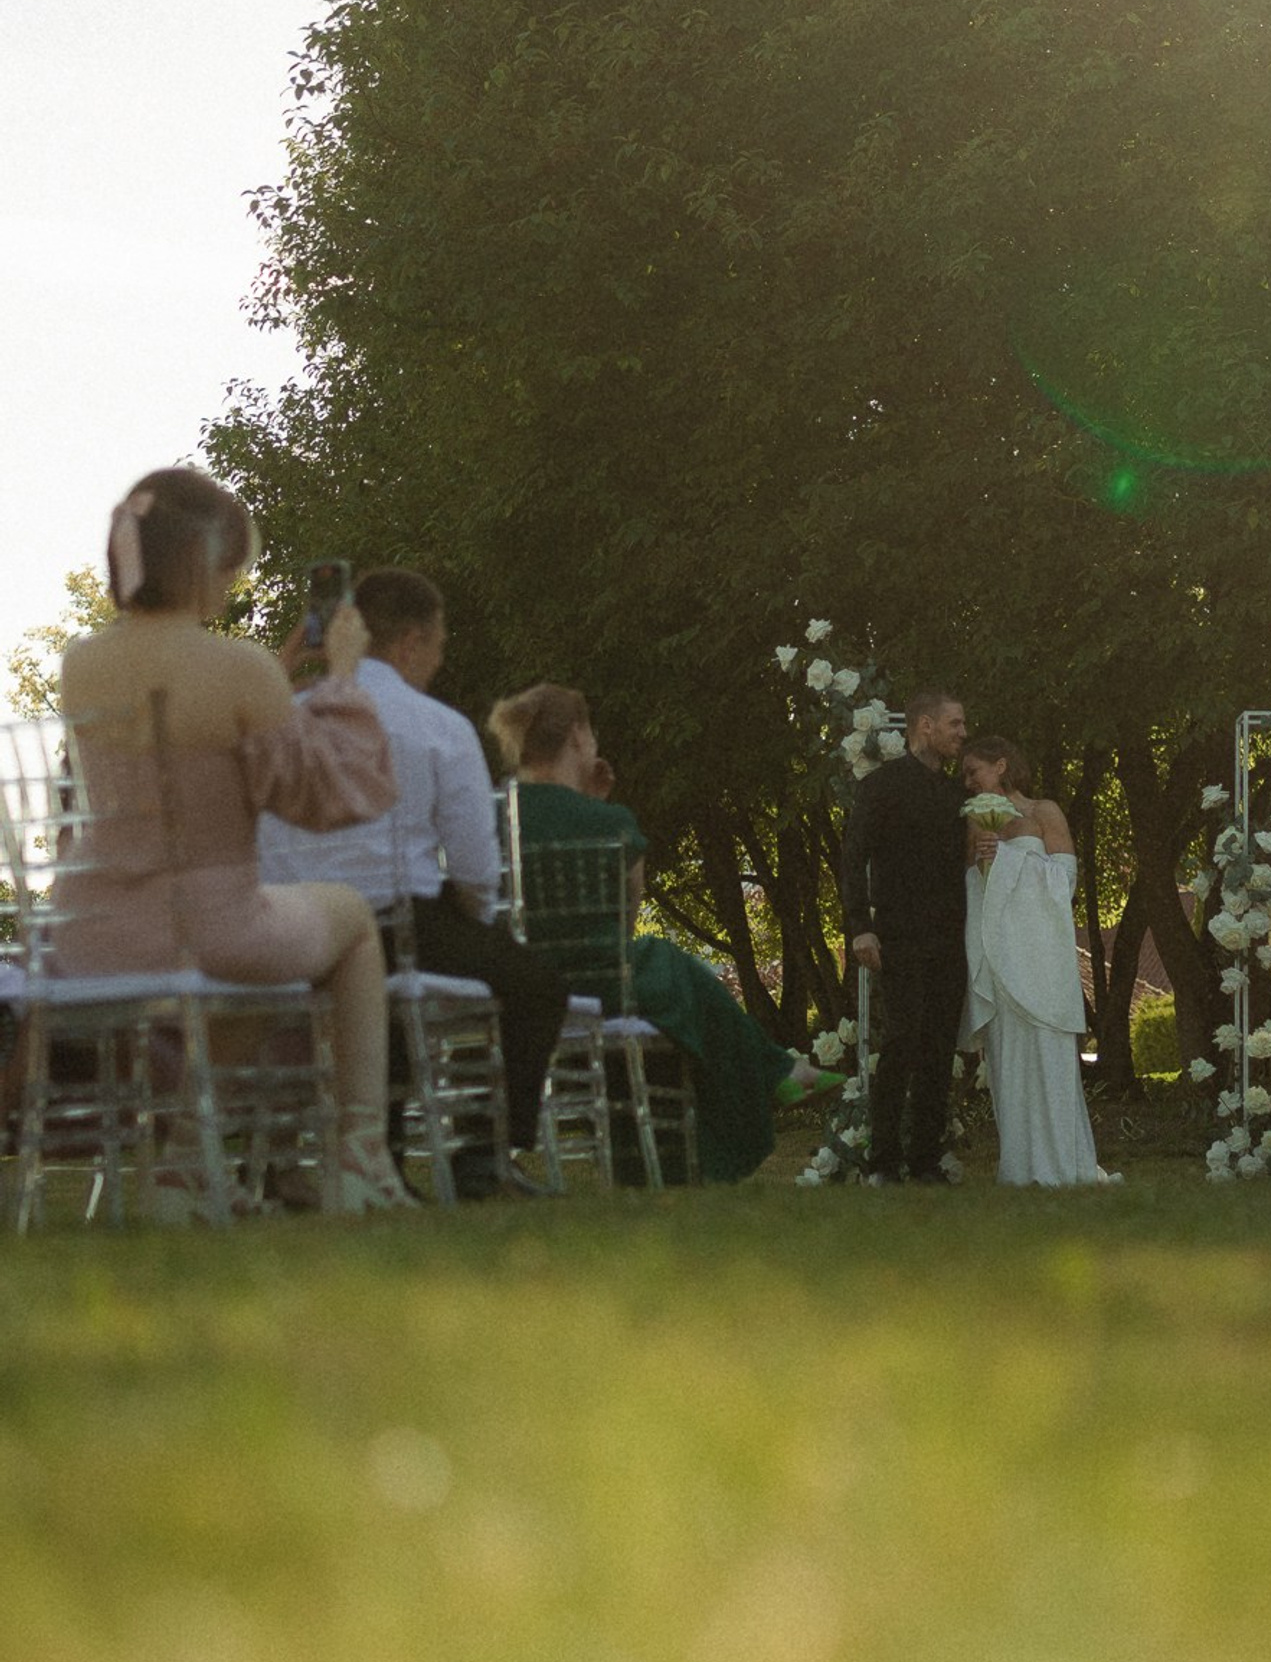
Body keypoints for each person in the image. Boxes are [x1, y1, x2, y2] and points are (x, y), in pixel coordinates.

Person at [56, 468, 407, 1216]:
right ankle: (360, 1152)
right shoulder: (239, 666)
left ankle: (182, 1172)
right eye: (231, 565)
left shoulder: (79, 664)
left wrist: (273, 680)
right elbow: (318, 796)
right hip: (208, 927)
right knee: (347, 920)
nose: (233, 582)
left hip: (92, 934)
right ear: (202, 561)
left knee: (262, 970)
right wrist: (340, 678)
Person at [258, 568, 568, 1199]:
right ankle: (483, 1151)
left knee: (389, 984)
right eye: (438, 646)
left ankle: (380, 1159)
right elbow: (478, 867)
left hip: (293, 929)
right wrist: (473, 916)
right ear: (408, 644)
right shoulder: (438, 725)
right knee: (537, 985)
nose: (438, 660)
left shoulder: (283, 719)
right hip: (399, 922)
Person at [487, 682, 842, 1184]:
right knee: (667, 964)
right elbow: (623, 922)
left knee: (669, 970)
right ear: (578, 737)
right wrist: (596, 805)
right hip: (600, 988)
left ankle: (777, 1072)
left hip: (512, 983)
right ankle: (774, 1073)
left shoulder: (489, 815)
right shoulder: (611, 821)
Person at [955, 736, 1109, 1185]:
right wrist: (981, 866)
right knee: (1009, 1063)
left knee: (1049, 1057)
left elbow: (1066, 882)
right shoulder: (974, 825)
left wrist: (1008, 861)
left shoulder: (1045, 812)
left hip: (1041, 958)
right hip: (1001, 961)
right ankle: (1021, 1168)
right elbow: (972, 892)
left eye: (973, 772)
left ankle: (1064, 1165)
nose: (967, 782)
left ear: (1000, 766)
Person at [840, 690, 970, 1183]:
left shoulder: (959, 796)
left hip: (950, 937)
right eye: (954, 724)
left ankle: (925, 1160)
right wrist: (860, 926)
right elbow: (853, 857)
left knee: (939, 1047)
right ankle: (883, 1159)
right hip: (897, 933)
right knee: (902, 1042)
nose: (962, 733)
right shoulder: (881, 787)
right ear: (924, 726)